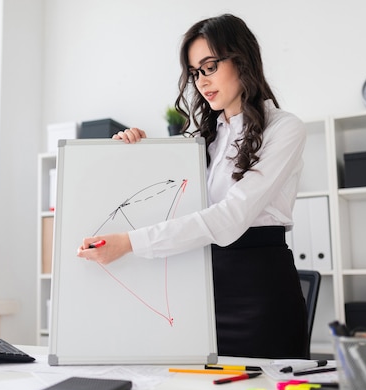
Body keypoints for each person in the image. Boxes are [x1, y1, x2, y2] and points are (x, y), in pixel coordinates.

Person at [76, 14, 308, 359]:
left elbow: (229, 219)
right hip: (198, 286)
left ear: (243, 60)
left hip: (260, 293)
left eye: (210, 66)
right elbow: (166, 202)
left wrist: (128, 243)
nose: (201, 82)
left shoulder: (285, 129)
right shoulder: (203, 139)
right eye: (195, 72)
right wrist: (134, 151)